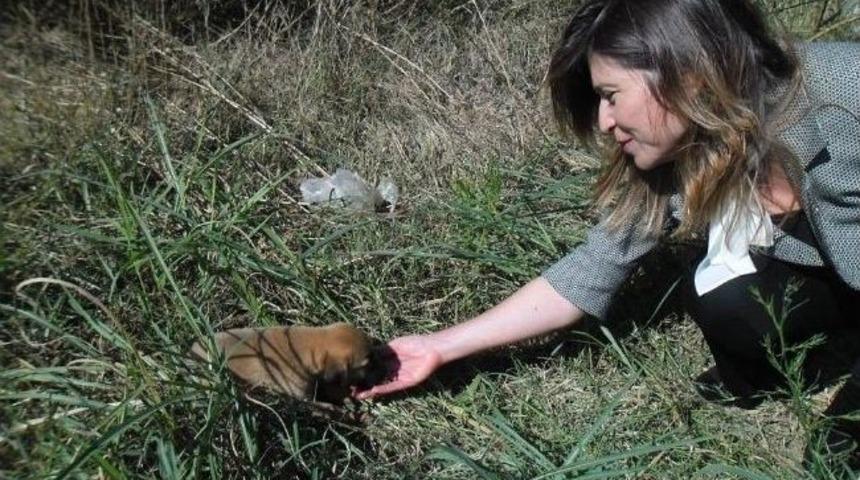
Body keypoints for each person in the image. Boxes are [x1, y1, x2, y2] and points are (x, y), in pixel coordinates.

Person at [356, 0, 860, 467]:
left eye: (610, 96)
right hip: (835, 263)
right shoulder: (687, 144)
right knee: (729, 302)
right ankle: (793, 364)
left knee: (835, 457)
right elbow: (592, 269)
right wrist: (441, 346)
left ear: (686, 74)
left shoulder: (845, 97)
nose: (604, 120)